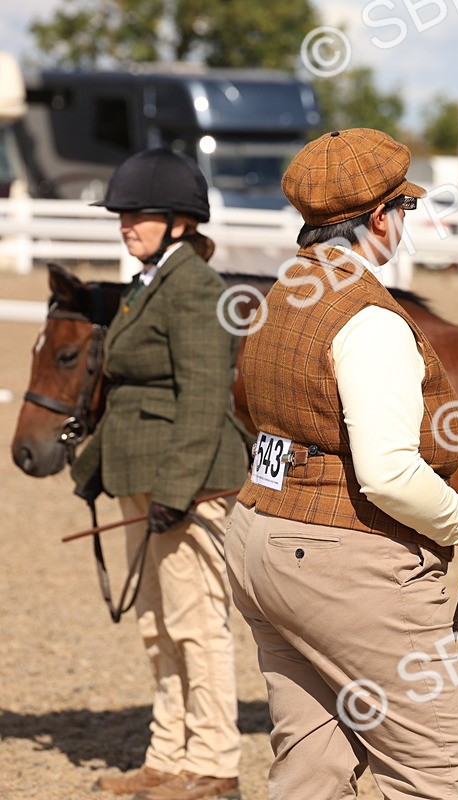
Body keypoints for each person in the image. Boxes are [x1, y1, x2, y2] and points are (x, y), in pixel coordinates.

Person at [225, 128, 458, 799]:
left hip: (259, 536)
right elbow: (388, 473)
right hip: (346, 562)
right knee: (432, 772)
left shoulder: (281, 297)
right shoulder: (370, 319)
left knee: (309, 769)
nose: (404, 222)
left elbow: (255, 421)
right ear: (378, 219)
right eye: (402, 210)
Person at [72, 149, 247, 799]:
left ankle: (214, 763)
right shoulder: (149, 284)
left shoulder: (197, 290)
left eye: (136, 214)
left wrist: (175, 494)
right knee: (157, 623)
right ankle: (167, 754)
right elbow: (129, 395)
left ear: (178, 221)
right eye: (121, 214)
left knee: (196, 623)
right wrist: (93, 467)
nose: (124, 224)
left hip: (191, 484)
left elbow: (204, 397)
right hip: (146, 477)